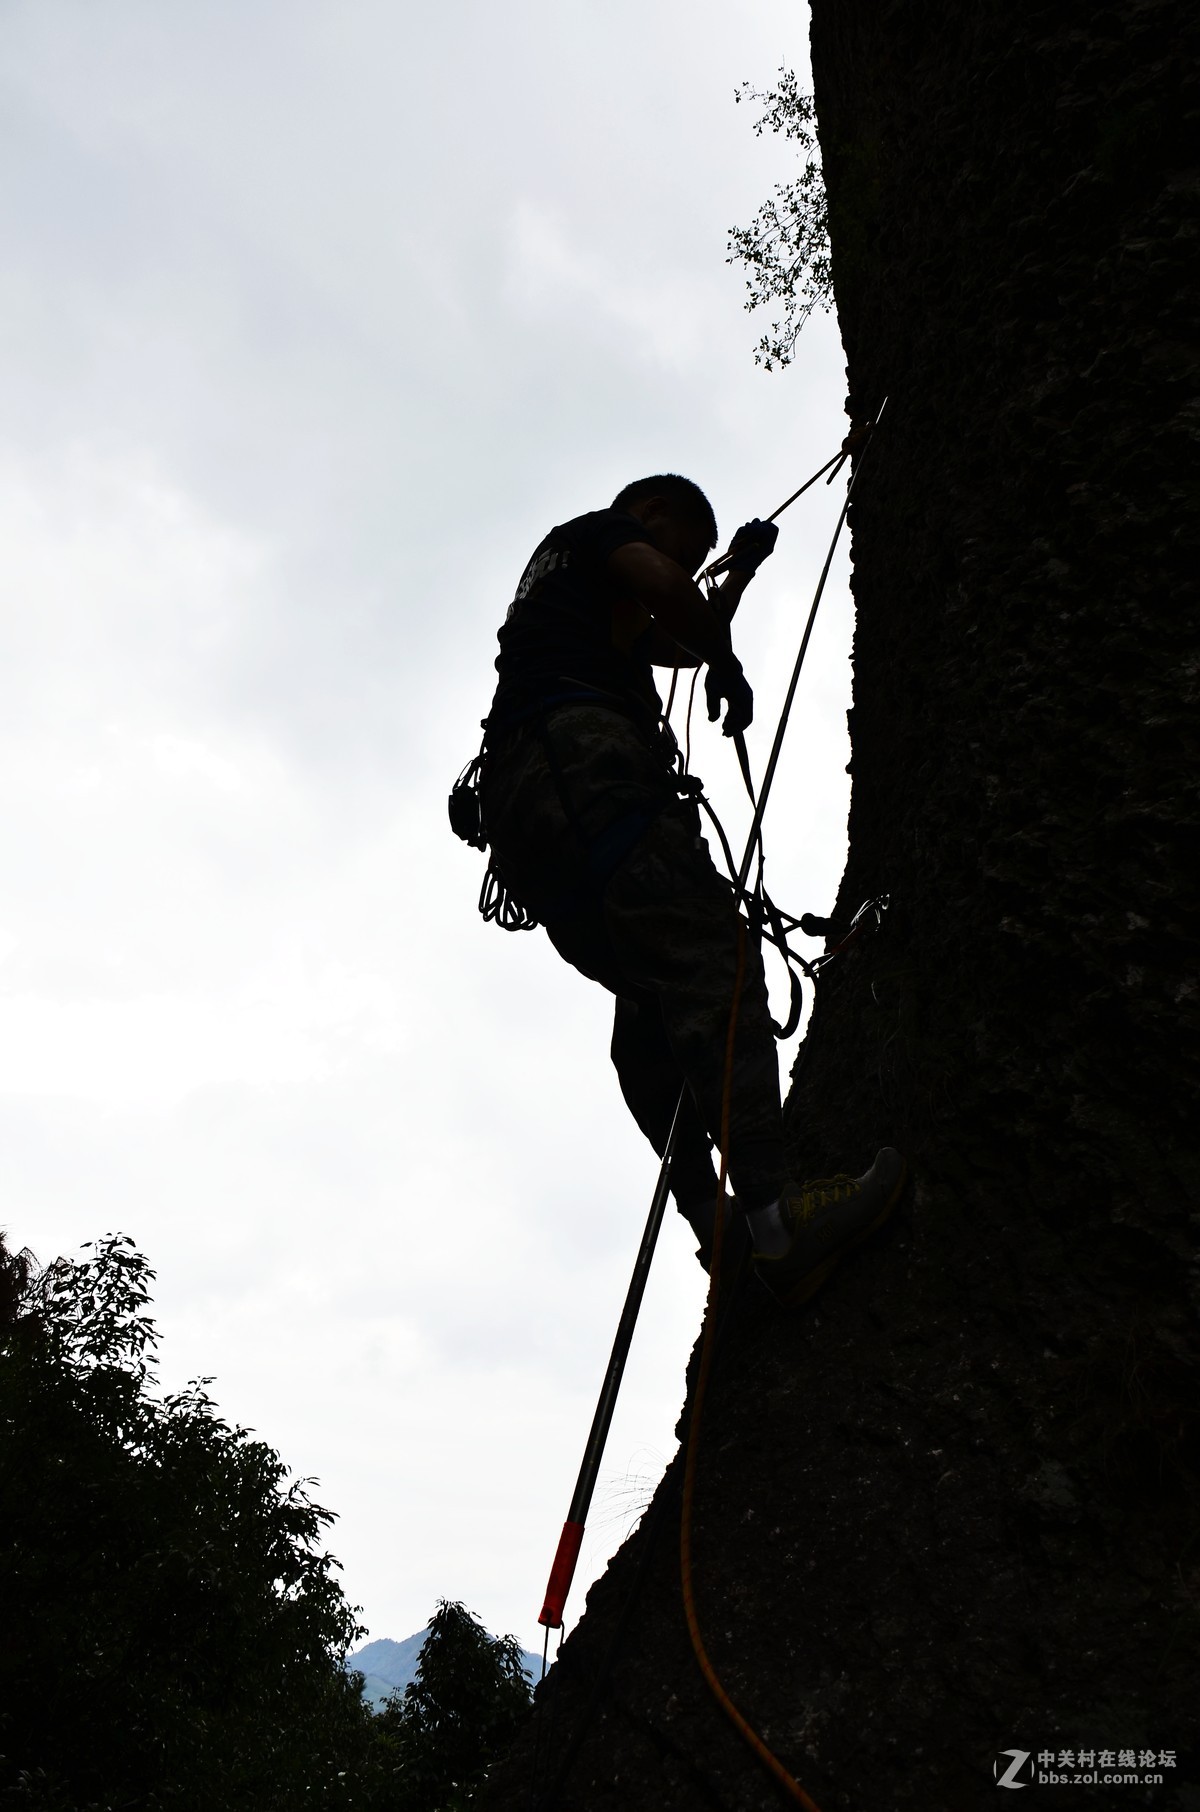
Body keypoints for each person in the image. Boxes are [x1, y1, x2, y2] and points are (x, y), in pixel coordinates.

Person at [477, 473, 904, 1305]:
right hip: (586, 772)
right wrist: (728, 656)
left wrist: (736, 579)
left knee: (651, 1009)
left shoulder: (569, 609)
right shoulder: (598, 533)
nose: (693, 563)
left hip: (537, 825)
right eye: (692, 545)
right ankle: (778, 1227)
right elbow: (669, 594)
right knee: (719, 967)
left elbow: (672, 637)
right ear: (653, 513)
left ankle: (717, 1230)